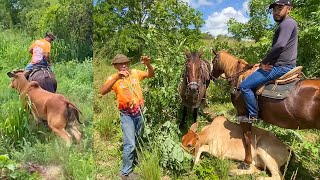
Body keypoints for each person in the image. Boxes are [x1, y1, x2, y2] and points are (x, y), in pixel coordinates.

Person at [239, 0, 298, 123]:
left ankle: (253, 116)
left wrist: (264, 62)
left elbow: (280, 45)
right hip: (285, 64)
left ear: (289, 9)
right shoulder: (289, 23)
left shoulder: (287, 23)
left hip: (281, 67)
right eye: (274, 9)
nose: (276, 12)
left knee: (244, 86)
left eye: (280, 8)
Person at [100, 54, 155, 179]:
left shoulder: (135, 73)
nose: (124, 65)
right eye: (120, 63)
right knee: (130, 143)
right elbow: (102, 91)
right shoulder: (113, 78)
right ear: (115, 66)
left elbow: (151, 74)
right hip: (127, 116)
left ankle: (134, 160)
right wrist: (117, 78)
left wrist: (147, 64)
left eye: (126, 62)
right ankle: (125, 173)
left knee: (137, 139)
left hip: (140, 113)